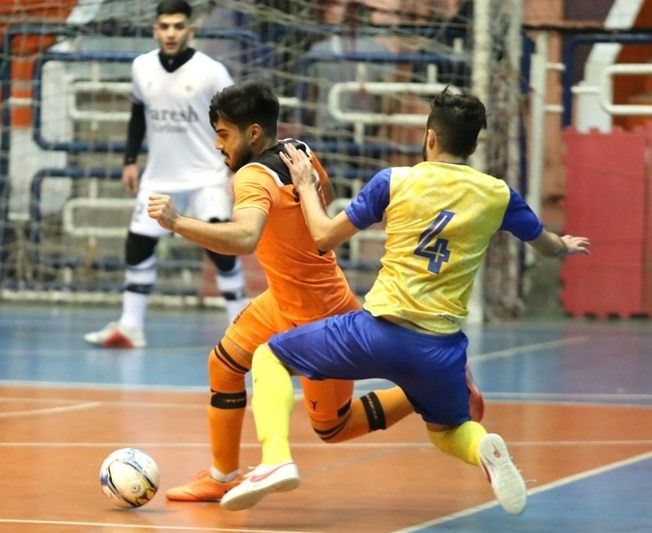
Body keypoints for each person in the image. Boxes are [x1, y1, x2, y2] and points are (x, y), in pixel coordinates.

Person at [219, 88, 592, 514]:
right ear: (473, 146)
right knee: (448, 432)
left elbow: (323, 236)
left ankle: (274, 460)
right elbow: (544, 244)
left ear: (429, 137)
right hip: (441, 349)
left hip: (377, 334)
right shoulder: (498, 194)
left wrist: (305, 186)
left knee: (269, 356)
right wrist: (563, 246)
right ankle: (482, 449)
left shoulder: (394, 181)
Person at [147, 79, 485, 502]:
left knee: (333, 427)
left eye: (224, 134)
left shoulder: (251, 177)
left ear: (253, 133)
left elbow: (245, 238)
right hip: (283, 298)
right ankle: (222, 475)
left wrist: (177, 222)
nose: (218, 145)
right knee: (224, 365)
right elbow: (322, 196)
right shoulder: (299, 151)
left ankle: (424, 390)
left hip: (317, 311)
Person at [84, 0, 247, 349]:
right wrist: (130, 160)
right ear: (155, 30)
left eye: (178, 26)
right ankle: (131, 326)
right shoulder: (141, 67)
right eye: (165, 26)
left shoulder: (212, 72)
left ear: (190, 29)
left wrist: (236, 168)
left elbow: (237, 122)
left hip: (207, 176)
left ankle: (244, 328)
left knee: (221, 248)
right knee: (138, 245)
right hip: (159, 179)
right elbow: (138, 114)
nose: (171, 33)